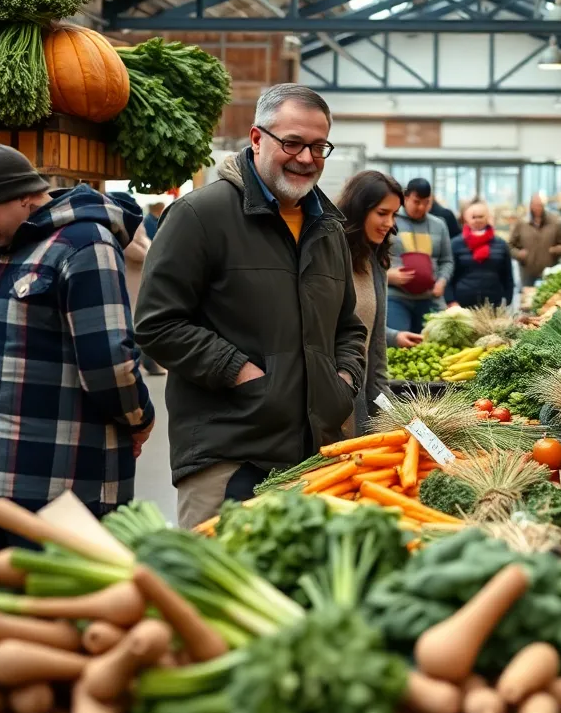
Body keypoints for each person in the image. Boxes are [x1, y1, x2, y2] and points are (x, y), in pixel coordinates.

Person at [135, 84, 367, 529]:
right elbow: (158, 324)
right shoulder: (200, 216)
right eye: (292, 142)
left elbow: (347, 326)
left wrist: (342, 380)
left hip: (314, 455)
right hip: (229, 452)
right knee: (213, 588)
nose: (306, 158)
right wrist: (243, 374)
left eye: (319, 146)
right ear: (257, 139)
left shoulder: (329, 228)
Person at [0, 142, 154, 552]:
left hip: (60, 488)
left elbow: (110, 363)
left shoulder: (85, 244)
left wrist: (140, 418)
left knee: (58, 607)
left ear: (24, 196)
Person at [336, 171, 424, 433]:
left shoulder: (376, 259)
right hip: (335, 394)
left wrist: (389, 412)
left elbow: (372, 338)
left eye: (394, 215)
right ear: (359, 209)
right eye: (382, 213)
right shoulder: (332, 256)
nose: (389, 223)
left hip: (365, 391)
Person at [387, 178, 454, 332]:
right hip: (396, 297)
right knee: (399, 345)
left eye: (426, 202)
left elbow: (447, 260)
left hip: (430, 298)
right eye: (417, 202)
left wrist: (442, 281)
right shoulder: (390, 221)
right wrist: (388, 275)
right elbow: (372, 258)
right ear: (406, 198)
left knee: (432, 346)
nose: (422, 207)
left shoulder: (439, 224)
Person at [112, 192, 165, 377]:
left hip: (136, 280)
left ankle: (144, 361)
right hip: (130, 280)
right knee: (132, 321)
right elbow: (135, 250)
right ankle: (141, 362)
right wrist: (147, 248)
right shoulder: (121, 227)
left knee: (136, 320)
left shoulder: (134, 224)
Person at [450, 201, 514, 308]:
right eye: (473, 217)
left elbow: (507, 275)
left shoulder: (501, 245)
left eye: (480, 216)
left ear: (487, 217)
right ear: (466, 218)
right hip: (462, 306)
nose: (477, 220)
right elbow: (449, 276)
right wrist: (450, 300)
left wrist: (507, 299)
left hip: (494, 304)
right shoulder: (456, 244)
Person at [508, 193, 561, 287]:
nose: (537, 208)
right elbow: (510, 246)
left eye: (540, 205)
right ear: (530, 206)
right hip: (527, 272)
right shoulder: (522, 223)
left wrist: (556, 250)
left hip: (549, 271)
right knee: (527, 298)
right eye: (535, 205)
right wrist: (518, 254)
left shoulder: (555, 223)